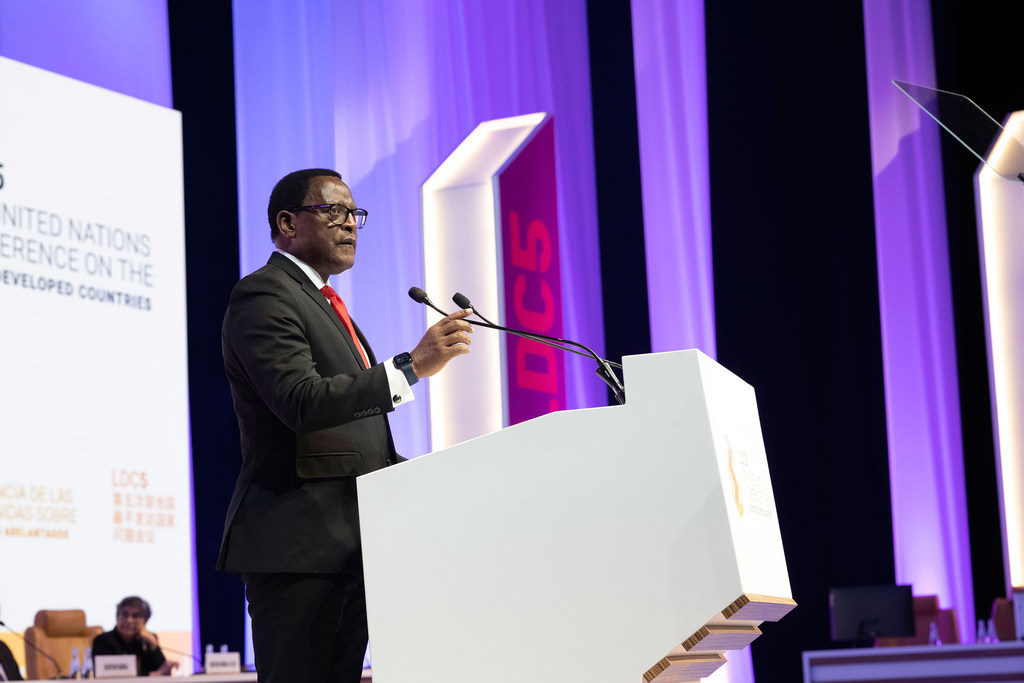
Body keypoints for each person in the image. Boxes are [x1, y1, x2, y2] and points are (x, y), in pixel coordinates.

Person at [217, 168, 473, 683]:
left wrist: (443, 481)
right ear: (287, 222)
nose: (350, 224)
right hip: (299, 549)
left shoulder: (329, 306)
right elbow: (302, 402)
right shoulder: (265, 295)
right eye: (331, 211)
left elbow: (355, 438)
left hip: (351, 546)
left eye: (354, 214)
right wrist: (408, 368)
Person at [92, 596, 178, 676]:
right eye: (124, 614)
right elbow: (111, 675)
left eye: (135, 616)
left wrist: (154, 646)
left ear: (145, 621)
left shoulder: (148, 640)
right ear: (117, 617)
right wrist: (152, 675)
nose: (129, 620)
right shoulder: (102, 641)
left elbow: (162, 672)